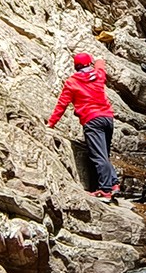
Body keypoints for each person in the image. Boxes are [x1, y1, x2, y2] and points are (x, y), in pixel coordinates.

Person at [48, 52, 120, 199]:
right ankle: (113, 183)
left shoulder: (72, 82)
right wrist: (98, 59)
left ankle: (105, 190)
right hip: (108, 118)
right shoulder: (98, 75)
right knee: (104, 154)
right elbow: (101, 64)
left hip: (92, 120)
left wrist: (51, 124)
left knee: (98, 156)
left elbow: (62, 105)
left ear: (76, 66)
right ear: (89, 64)